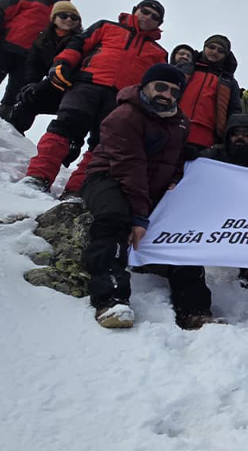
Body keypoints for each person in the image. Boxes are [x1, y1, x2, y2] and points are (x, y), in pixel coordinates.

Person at [79, 64, 218, 329]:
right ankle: (111, 300)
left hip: (149, 187)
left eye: (175, 91)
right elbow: (128, 167)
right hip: (108, 178)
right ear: (145, 86)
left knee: (183, 230)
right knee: (114, 219)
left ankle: (195, 310)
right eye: (161, 87)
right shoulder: (124, 116)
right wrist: (140, 217)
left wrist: (176, 179)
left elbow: (175, 160)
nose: (167, 95)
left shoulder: (180, 123)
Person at [22, 0, 168, 193]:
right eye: (145, 11)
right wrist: (62, 64)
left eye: (154, 17)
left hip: (121, 100)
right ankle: (38, 177)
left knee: (102, 145)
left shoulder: (159, 53)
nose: (148, 17)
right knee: (62, 129)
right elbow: (78, 45)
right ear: (135, 11)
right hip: (86, 85)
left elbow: (153, 85)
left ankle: (76, 190)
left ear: (159, 24)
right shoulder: (105, 26)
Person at [8, 0, 83, 134]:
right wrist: (31, 84)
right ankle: (13, 134)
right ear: (54, 18)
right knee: (27, 98)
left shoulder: (81, 41)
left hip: (72, 89)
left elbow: (73, 69)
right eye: (63, 16)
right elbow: (33, 65)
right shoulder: (42, 40)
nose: (69, 20)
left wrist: (41, 86)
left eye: (74, 17)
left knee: (69, 120)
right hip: (51, 86)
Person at [177, 35, 242, 160]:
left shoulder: (229, 82)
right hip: (173, 127)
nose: (215, 52)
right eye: (211, 47)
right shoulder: (185, 68)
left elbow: (234, 111)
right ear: (204, 47)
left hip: (205, 137)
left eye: (220, 51)